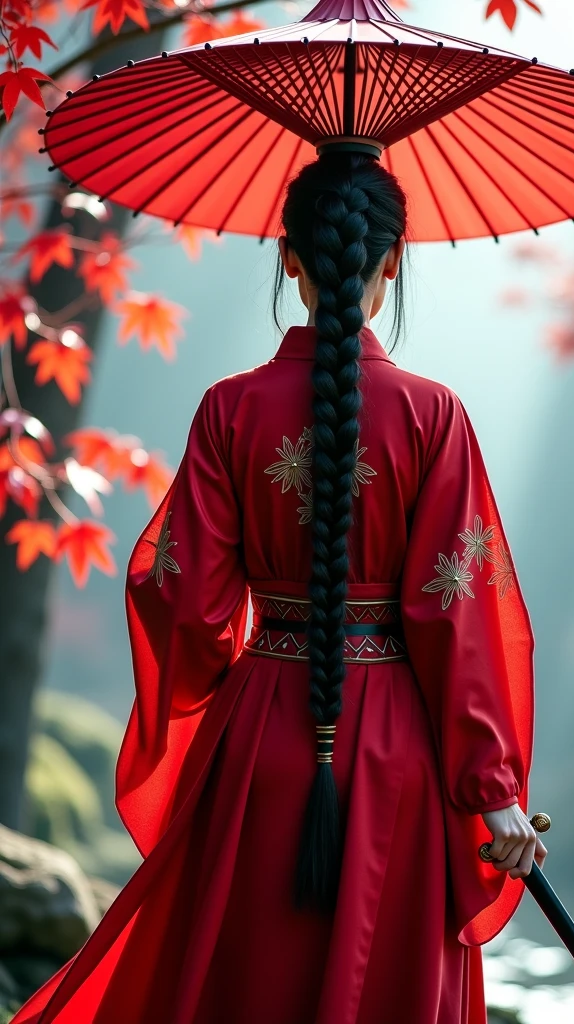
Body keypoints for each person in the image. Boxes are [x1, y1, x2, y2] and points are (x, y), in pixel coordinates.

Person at [10, 149, 545, 1024]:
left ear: (289, 257)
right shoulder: (434, 415)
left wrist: (239, 682)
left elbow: (186, 604)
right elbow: (459, 619)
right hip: (396, 758)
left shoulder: (230, 409)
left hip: (259, 738)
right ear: (393, 260)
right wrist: (495, 792)